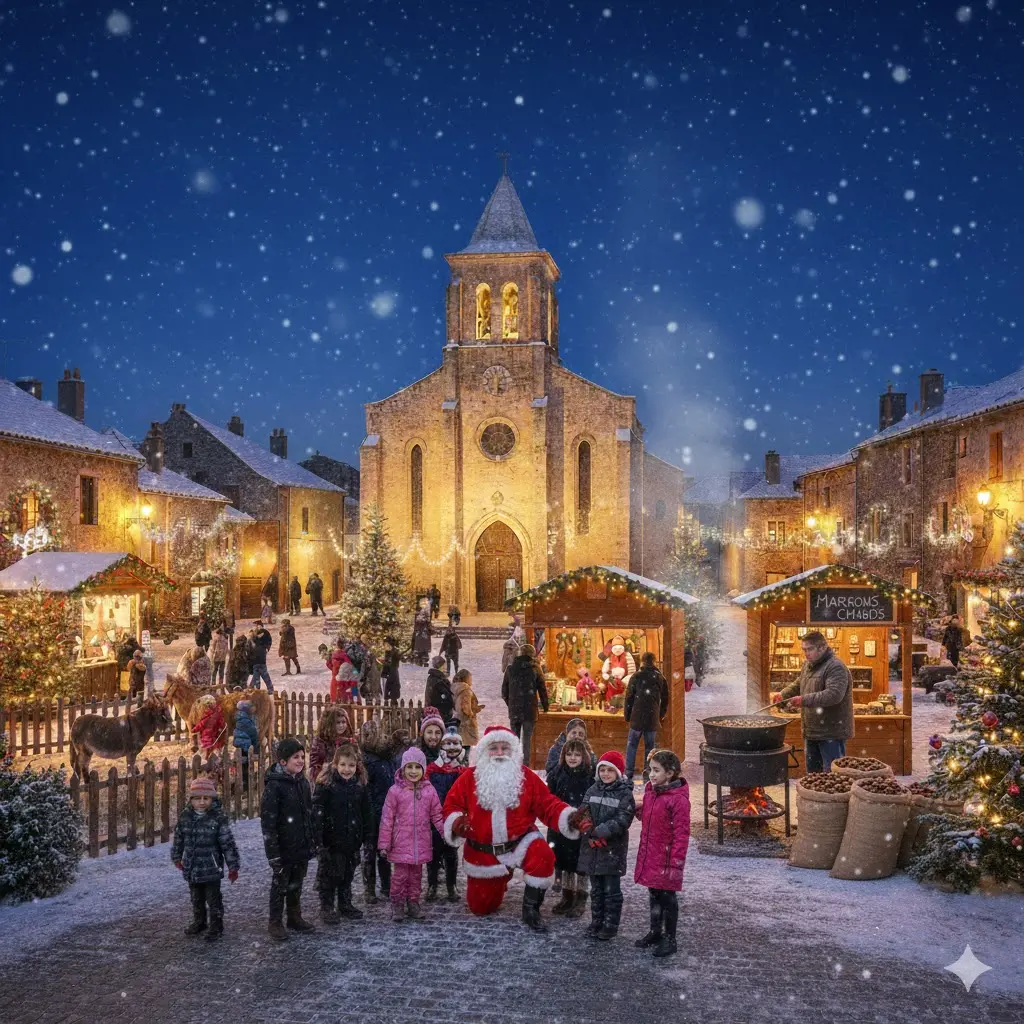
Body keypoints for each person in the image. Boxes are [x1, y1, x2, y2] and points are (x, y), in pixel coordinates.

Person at [442, 724, 582, 931]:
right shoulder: (469, 778)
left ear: (513, 750)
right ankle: (499, 878)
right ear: (484, 751)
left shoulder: (525, 776)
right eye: (494, 748)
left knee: (543, 855)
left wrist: (569, 817)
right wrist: (456, 821)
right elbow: (451, 805)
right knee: (481, 908)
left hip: (520, 842)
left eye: (505, 748)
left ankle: (531, 909)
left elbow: (547, 804)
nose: (500, 753)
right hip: (484, 852)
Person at [633, 748, 690, 958]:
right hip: (652, 855)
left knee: (668, 898)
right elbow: (651, 818)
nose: (651, 774)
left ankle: (670, 938)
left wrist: (676, 862)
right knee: (654, 894)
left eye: (656, 770)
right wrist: (639, 810)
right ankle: (655, 931)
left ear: (670, 773)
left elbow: (681, 834)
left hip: (666, 858)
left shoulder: (678, 800)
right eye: (650, 769)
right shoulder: (651, 792)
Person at [378, 746, 444, 922]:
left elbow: (437, 815)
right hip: (400, 843)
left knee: (416, 877)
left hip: (421, 843)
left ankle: (413, 902)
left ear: (423, 769)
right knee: (400, 876)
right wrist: (384, 844)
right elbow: (387, 819)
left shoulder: (429, 791)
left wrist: (446, 832)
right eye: (409, 767)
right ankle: (398, 904)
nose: (413, 771)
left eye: (417, 767)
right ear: (403, 769)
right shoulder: (395, 791)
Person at [773, 629, 854, 772]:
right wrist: (783, 695)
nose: (806, 653)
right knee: (813, 775)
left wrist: (804, 700)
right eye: (804, 650)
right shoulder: (808, 665)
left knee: (833, 775)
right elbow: (799, 684)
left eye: (809, 649)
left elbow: (834, 695)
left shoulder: (836, 667)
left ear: (822, 647)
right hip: (812, 730)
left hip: (831, 732)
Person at [172, 776, 240, 942]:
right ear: (191, 799)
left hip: (211, 868)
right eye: (197, 798)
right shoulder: (186, 816)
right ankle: (199, 921)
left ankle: (216, 926)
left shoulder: (217, 817)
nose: (202, 802)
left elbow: (227, 843)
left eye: (206, 798)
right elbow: (179, 838)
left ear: (212, 799)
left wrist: (233, 866)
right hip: (192, 866)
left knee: (213, 899)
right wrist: (177, 856)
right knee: (196, 898)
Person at [261, 738, 316, 940]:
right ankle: (275, 921)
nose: (301, 760)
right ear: (283, 761)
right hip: (283, 847)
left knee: (296, 883)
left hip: (300, 845)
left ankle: (294, 916)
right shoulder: (274, 787)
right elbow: (269, 823)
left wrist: (311, 841)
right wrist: (273, 853)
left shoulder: (302, 783)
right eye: (295, 757)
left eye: (302, 756)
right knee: (280, 885)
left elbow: (308, 814)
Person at [577, 751, 635, 942]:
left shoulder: (624, 793)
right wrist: (588, 830)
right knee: (596, 890)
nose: (605, 774)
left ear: (617, 773)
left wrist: (602, 831)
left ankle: (610, 924)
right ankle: (597, 921)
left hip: (612, 850)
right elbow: (583, 812)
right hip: (593, 849)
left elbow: (623, 818)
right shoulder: (592, 789)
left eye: (610, 770)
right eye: (602, 770)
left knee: (611, 891)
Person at [313, 741, 371, 924]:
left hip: (352, 839)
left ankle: (345, 903)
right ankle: (327, 906)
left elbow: (367, 812)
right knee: (330, 875)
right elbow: (317, 812)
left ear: (357, 766)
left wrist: (367, 835)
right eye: (343, 765)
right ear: (335, 764)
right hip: (331, 840)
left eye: (351, 765)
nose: (347, 769)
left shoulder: (359, 785)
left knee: (347, 874)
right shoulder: (326, 785)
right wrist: (319, 838)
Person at [546, 738, 594, 918]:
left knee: (580, 864)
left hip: (581, 827)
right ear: (563, 755)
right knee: (564, 862)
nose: (572, 758)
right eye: (569, 754)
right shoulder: (556, 774)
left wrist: (581, 818)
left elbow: (591, 803)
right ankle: (567, 896)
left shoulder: (589, 776)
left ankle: (581, 898)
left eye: (577, 754)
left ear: (583, 756)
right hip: (560, 826)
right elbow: (549, 798)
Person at [360, 719, 403, 904]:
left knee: (384, 851)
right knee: (370, 852)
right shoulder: (365, 760)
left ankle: (386, 886)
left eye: (374, 734)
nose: (370, 738)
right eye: (366, 735)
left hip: (386, 811)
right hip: (371, 812)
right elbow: (365, 788)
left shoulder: (387, 756)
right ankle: (370, 889)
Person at [426, 726, 466, 902]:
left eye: (455, 743)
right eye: (448, 743)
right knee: (433, 854)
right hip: (434, 818)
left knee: (451, 853)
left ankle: (451, 885)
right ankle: (432, 885)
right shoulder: (432, 769)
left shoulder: (462, 771)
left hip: (453, 818)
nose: (451, 747)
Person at [501, 643, 549, 768]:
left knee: (514, 739)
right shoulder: (535, 668)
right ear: (532, 655)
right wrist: (545, 706)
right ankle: (525, 766)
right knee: (527, 741)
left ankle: (513, 765)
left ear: (520, 653)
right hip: (529, 710)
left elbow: (504, 691)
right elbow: (542, 689)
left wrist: (511, 704)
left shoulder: (510, 669)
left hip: (515, 711)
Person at [623, 653, 669, 782]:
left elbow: (629, 697)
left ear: (642, 661)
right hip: (652, 718)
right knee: (650, 747)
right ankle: (647, 773)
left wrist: (627, 715)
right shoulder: (660, 677)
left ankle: (628, 773)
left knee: (632, 745)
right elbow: (665, 699)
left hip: (636, 717)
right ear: (654, 661)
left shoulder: (636, 676)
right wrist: (660, 715)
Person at [309, 706, 356, 786]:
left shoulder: (348, 740)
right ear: (330, 724)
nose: (341, 725)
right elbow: (315, 767)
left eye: (344, 722)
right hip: (326, 782)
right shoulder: (320, 741)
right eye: (338, 723)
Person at [453, 668, 483, 753]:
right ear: (466, 679)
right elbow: (465, 708)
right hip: (465, 723)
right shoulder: (465, 690)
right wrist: (472, 712)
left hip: (456, 721)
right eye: (470, 678)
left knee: (458, 749)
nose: (471, 681)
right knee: (465, 748)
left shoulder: (454, 687)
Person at [232, 700, 259, 792]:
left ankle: (242, 782)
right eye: (251, 707)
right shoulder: (246, 721)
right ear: (247, 709)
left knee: (241, 764)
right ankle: (246, 784)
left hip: (239, 745)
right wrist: (256, 746)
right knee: (246, 765)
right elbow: (253, 733)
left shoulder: (240, 717)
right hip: (245, 745)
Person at [192, 694, 226, 761]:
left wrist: (193, 730)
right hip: (215, 735)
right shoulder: (218, 714)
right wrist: (222, 728)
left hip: (207, 736)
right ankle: (215, 758)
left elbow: (200, 725)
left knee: (208, 749)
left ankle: (208, 759)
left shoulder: (206, 717)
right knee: (215, 747)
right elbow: (222, 724)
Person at [424, 656, 456, 725]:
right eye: (444, 666)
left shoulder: (435, 678)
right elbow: (447, 697)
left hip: (437, 714)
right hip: (440, 715)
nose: (446, 668)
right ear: (439, 667)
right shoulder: (438, 680)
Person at [249, 621, 274, 693]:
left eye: (255, 625)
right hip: (259, 655)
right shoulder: (260, 633)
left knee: (261, 672)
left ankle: (254, 688)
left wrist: (267, 648)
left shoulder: (262, 632)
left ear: (259, 625)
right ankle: (255, 688)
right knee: (258, 673)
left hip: (259, 655)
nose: (254, 627)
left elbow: (255, 639)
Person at [327, 639, 353, 703]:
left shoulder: (333, 655)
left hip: (335, 676)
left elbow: (328, 664)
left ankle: (334, 704)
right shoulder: (345, 655)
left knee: (334, 694)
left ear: (337, 645)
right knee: (344, 694)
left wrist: (334, 669)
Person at [359, 636, 382, 702]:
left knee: (373, 684)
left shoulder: (370, 650)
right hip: (368, 672)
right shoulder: (363, 649)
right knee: (369, 684)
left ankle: (373, 698)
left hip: (372, 671)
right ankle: (370, 698)